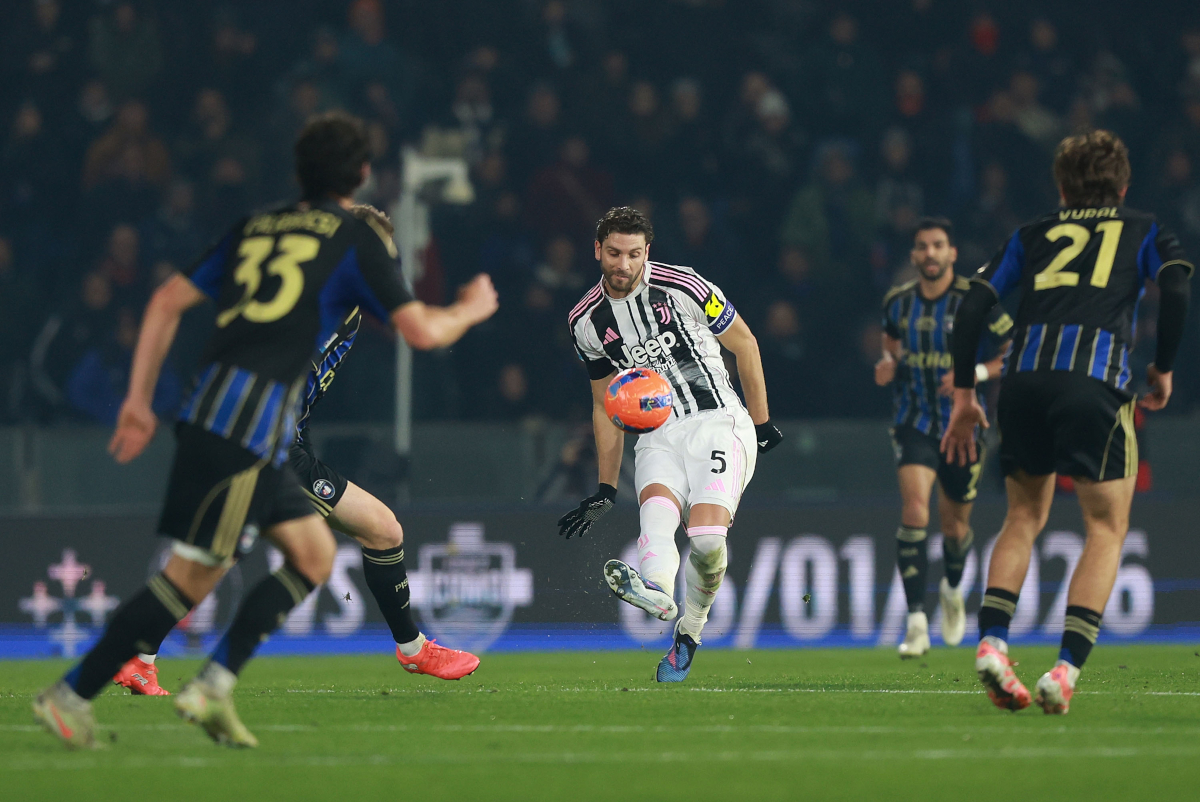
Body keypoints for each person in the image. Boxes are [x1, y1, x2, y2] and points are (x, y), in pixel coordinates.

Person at [34, 112, 498, 749]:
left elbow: (168, 300)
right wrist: (469, 310)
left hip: (236, 421)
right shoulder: (351, 248)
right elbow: (422, 331)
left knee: (318, 549)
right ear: (360, 174)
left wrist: (139, 401)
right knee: (198, 574)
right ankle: (84, 691)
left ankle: (202, 683)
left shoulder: (260, 228)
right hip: (250, 431)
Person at [113, 204, 485, 697]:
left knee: (372, 530)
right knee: (226, 557)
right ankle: (413, 651)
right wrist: (469, 310)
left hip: (283, 442)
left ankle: (138, 656)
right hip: (259, 442)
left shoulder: (351, 303)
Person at [942, 130, 1191, 714]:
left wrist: (961, 394)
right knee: (1106, 526)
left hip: (1024, 382)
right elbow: (1177, 282)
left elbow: (975, 303)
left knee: (1023, 515)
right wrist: (1162, 368)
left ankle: (994, 644)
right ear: (1123, 187)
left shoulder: (1031, 234)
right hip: (1095, 382)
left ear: (1061, 187)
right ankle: (1064, 669)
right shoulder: (1144, 228)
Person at [559, 206, 782, 682]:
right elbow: (603, 405)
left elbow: (746, 344)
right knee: (658, 518)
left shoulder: (685, 287)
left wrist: (761, 425)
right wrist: (604, 486)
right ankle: (657, 592)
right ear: (597, 251)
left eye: (634, 254)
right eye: (614, 253)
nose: (623, 264)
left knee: (704, 542)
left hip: (718, 422)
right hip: (657, 436)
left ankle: (690, 631)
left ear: (647, 253)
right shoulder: (585, 322)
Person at [876, 218, 1012, 658]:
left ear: (952, 253)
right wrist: (888, 363)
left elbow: (1013, 350)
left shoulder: (976, 300)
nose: (929, 253)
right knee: (915, 508)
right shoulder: (897, 302)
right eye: (921, 247)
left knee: (955, 528)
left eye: (938, 245)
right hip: (913, 420)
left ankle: (952, 590)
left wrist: (972, 373)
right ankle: (916, 621)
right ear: (914, 256)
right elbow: (890, 343)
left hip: (963, 426)